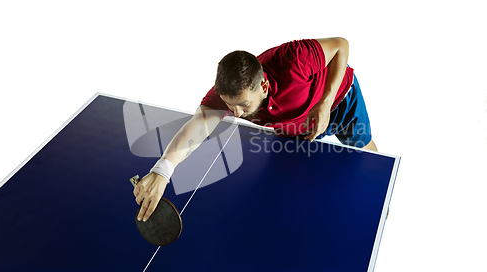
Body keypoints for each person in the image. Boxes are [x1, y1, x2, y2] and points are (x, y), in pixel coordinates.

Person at [134, 37, 377, 222]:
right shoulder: (227, 97)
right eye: (230, 105)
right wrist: (163, 170)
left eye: (243, 104)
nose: (237, 113)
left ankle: (381, 200)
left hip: (339, 102)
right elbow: (197, 128)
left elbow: (341, 46)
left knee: (366, 154)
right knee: (290, 183)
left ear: (263, 85)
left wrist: (325, 102)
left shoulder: (294, 59)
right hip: (291, 124)